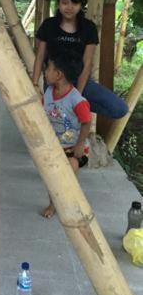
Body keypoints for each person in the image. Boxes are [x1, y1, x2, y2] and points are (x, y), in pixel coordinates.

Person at [32, 0, 129, 121]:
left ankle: (76, 108)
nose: (69, 7)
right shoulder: (49, 25)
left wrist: (77, 95)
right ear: (58, 3)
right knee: (56, 121)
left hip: (79, 80)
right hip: (54, 81)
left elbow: (87, 62)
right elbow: (40, 56)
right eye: (65, 2)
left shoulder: (88, 28)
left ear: (81, 5)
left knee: (120, 109)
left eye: (75, 3)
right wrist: (34, 84)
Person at [39, 51, 92, 218]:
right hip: (56, 146)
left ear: (59, 74)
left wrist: (80, 144)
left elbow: (86, 122)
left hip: (73, 148)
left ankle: (71, 202)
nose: (45, 71)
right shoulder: (48, 93)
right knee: (52, 178)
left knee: (70, 170)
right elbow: (43, 112)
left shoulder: (77, 100)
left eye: (48, 68)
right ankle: (53, 204)